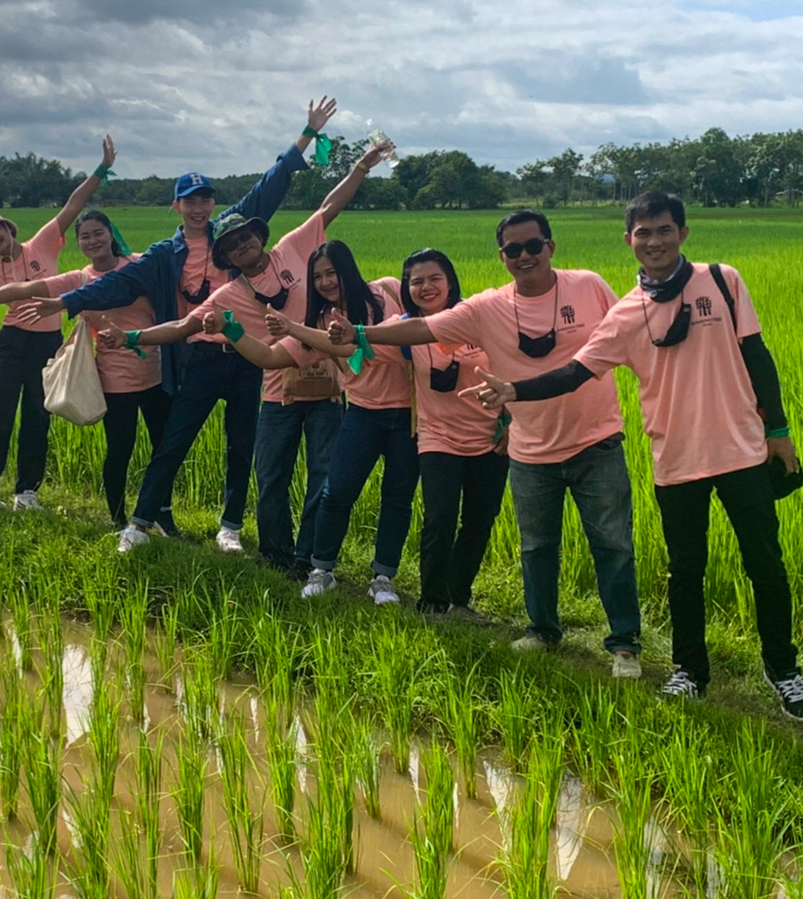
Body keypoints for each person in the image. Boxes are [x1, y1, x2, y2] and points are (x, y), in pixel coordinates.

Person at [466, 191, 802, 716]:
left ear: (683, 233)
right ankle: (690, 669)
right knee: (685, 568)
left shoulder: (721, 280)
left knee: (766, 563)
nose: (654, 242)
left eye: (664, 230)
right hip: (676, 459)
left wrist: (778, 430)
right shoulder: (625, 314)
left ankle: (783, 670)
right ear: (628, 241)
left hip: (742, 450)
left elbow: (757, 355)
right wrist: (514, 390)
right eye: (643, 233)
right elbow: (575, 372)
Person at [329, 210, 642, 678]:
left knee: (612, 544)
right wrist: (358, 333)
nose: (524, 256)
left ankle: (623, 645)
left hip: (590, 440)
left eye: (533, 245)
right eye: (513, 250)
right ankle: (540, 628)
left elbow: (631, 337)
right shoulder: (487, 308)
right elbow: (418, 329)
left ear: (550, 246)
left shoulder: (588, 285)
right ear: (501, 257)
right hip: (528, 448)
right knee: (536, 546)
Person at [100, 142, 390, 556]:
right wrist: (131, 338)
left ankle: (296, 551)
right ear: (226, 256)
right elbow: (183, 326)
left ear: (258, 236)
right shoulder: (230, 294)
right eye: (231, 245)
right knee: (244, 466)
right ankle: (159, 527)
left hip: (319, 377)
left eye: (245, 238)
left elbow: (329, 209)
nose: (241, 246)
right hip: (265, 378)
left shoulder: (291, 248)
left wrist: (361, 167)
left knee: (307, 469)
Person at [14, 98, 339, 401]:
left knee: (244, 444)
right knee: (175, 439)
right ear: (177, 205)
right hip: (194, 355)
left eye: (204, 200)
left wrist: (308, 133)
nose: (198, 209)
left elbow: (271, 183)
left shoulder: (230, 231)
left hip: (245, 350)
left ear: (212, 202)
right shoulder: (164, 254)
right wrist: (65, 301)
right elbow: (119, 282)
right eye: (189, 201)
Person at [0, 210, 175, 528]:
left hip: (157, 373)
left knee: (163, 447)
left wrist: (103, 169)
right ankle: (117, 521)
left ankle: (159, 513)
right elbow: (23, 290)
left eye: (98, 233)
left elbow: (179, 284)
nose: (93, 240)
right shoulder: (79, 279)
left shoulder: (140, 264)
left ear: (111, 233)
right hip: (113, 377)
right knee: (117, 448)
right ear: (76, 244)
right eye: (85, 236)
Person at [196, 237, 415, 604]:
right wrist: (230, 329)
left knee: (397, 497)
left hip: (408, 414)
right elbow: (268, 356)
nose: (326, 282)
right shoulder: (322, 323)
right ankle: (321, 568)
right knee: (335, 493)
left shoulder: (388, 290)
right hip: (362, 413)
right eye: (318, 277)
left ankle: (383, 578)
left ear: (349, 269)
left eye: (332, 273)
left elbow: (408, 331)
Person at [0, 137, 118, 512]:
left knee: (37, 416)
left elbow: (73, 204)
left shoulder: (43, 244)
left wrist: (101, 168)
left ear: (8, 229)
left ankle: (26, 492)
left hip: (48, 346)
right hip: (12, 344)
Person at [399, 249, 510, 618]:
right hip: (437, 438)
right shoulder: (405, 329)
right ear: (407, 287)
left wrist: (510, 423)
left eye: (434, 279)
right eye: (417, 281)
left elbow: (514, 370)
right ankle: (431, 600)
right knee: (440, 517)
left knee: (480, 520)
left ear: (450, 282)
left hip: (489, 438)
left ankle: (457, 596)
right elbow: (358, 342)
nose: (426, 287)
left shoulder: (479, 319)